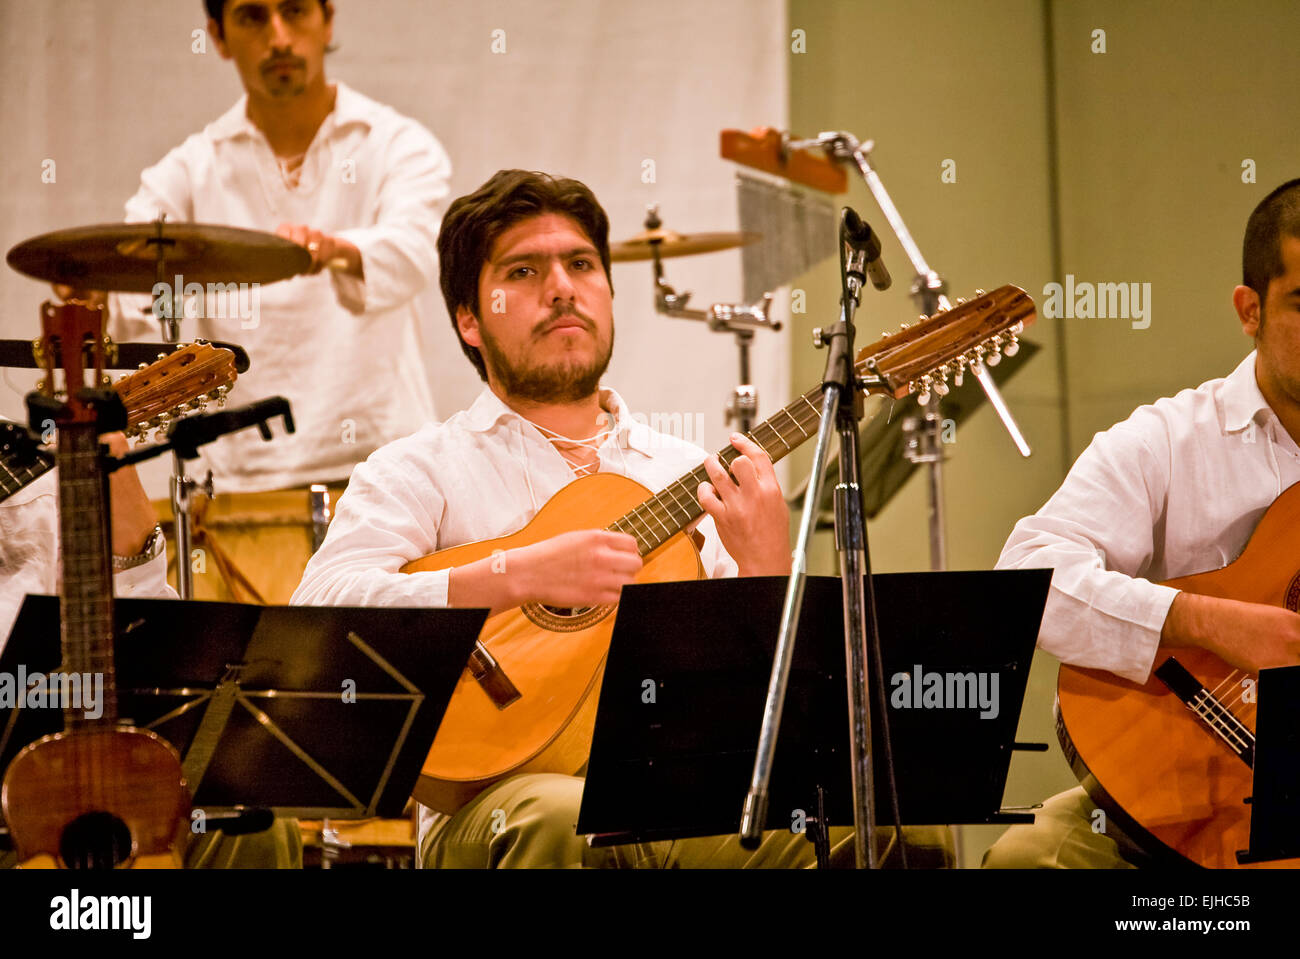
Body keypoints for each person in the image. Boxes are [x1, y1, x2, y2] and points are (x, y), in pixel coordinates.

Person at [292, 169, 954, 868]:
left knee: (893, 834)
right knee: (554, 816)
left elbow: (769, 715)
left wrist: (763, 567)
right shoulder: (418, 468)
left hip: (682, 800)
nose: (561, 287)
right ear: (469, 317)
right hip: (495, 805)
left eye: (581, 264)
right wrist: (513, 573)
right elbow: (320, 615)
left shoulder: (689, 471)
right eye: (524, 270)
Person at [983, 178, 1300, 868]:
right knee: (1027, 859)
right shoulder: (1169, 439)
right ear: (1250, 309)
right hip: (1189, 779)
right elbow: (1028, 576)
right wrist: (1210, 622)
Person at [102, 0, 451, 603]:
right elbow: (134, 285)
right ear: (218, 34)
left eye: (295, 12)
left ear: (328, 21)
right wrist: (97, 289)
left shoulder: (396, 144)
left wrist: (333, 249)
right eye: (254, 16)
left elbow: (416, 253)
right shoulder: (188, 170)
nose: (280, 37)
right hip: (239, 486)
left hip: (386, 475)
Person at [0, 432, 300, 868]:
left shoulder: (22, 461)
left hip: (68, 773)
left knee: (253, 832)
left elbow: (152, 645)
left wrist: (126, 520)